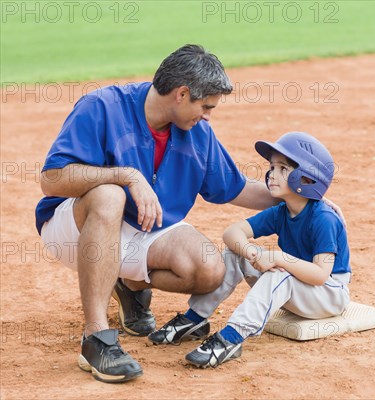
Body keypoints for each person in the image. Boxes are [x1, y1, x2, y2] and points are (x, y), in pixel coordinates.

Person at [35, 45, 280, 383]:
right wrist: (127, 176)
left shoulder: (197, 134)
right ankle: (95, 338)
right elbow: (52, 179)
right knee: (110, 195)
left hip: (139, 233)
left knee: (210, 269)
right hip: (73, 230)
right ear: (182, 94)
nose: (208, 115)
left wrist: (299, 199)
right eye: (205, 106)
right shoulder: (103, 107)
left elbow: (235, 187)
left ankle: (129, 284)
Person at [151, 131, 352, 368]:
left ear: (307, 179)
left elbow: (320, 275)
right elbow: (232, 233)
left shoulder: (323, 219)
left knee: (279, 273)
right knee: (235, 254)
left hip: (329, 294)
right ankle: (195, 319)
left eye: (283, 169)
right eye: (272, 167)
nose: (271, 175)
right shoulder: (282, 211)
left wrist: (279, 258)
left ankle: (232, 337)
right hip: (298, 286)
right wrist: (251, 252)